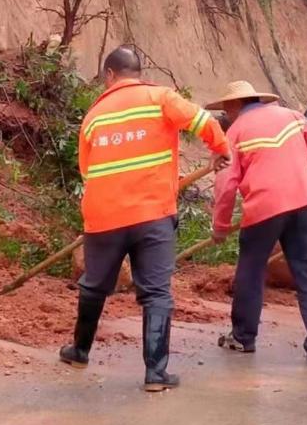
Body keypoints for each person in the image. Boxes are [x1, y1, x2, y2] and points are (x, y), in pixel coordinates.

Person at [59, 46, 230, 391]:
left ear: (109, 75)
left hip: (104, 216)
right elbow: (204, 122)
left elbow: (86, 171)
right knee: (155, 292)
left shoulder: (94, 115)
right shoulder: (160, 97)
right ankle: (155, 374)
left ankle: (79, 350)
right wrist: (221, 150)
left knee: (94, 285)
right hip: (152, 214)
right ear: (138, 72)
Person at [207, 81, 307, 366]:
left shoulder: (235, 132)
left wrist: (221, 226)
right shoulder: (290, 115)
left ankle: (243, 337)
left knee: (251, 271)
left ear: (234, 105)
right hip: (305, 202)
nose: (226, 114)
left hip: (264, 208)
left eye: (226, 109)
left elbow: (226, 184)